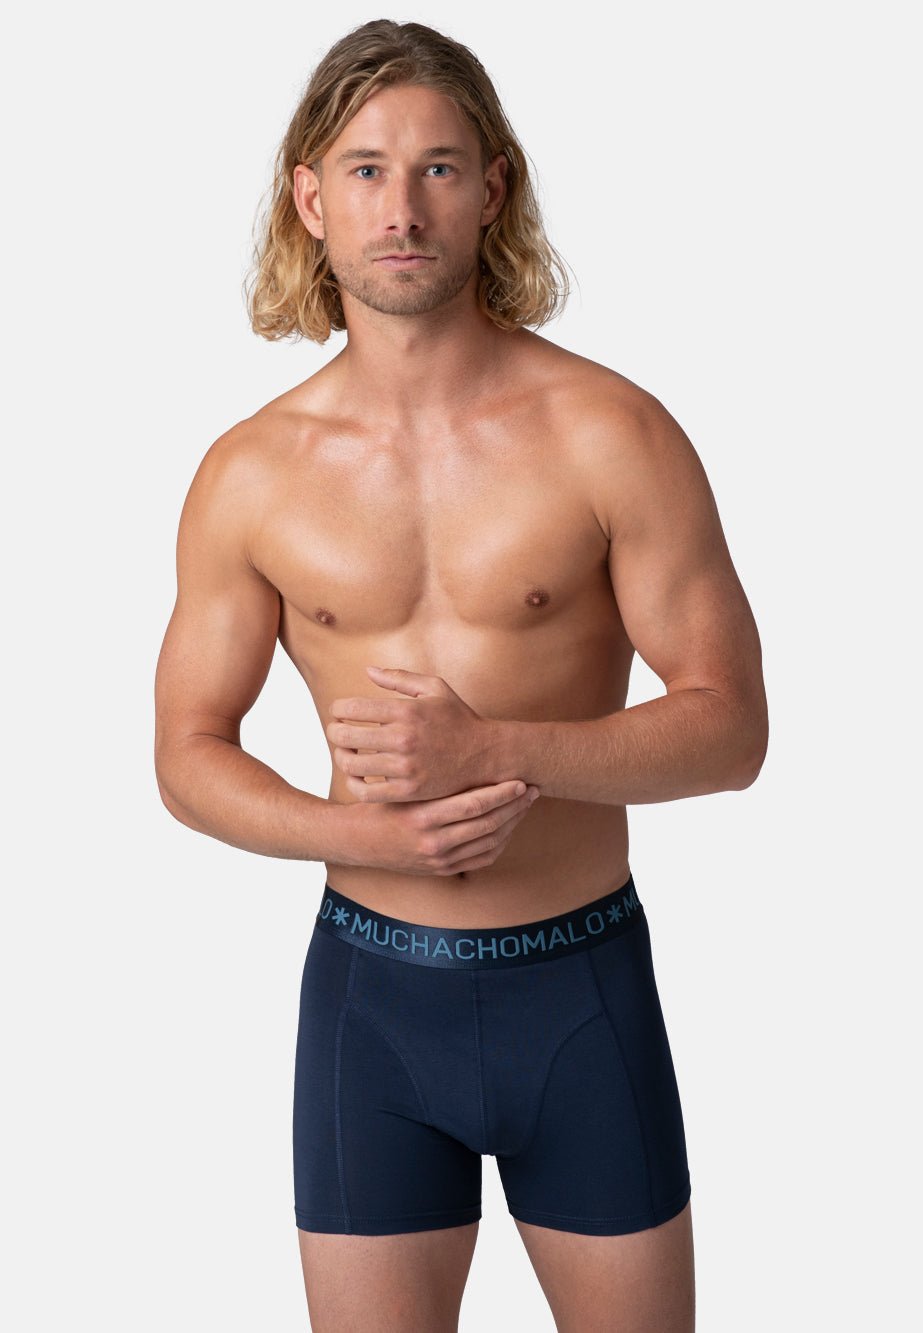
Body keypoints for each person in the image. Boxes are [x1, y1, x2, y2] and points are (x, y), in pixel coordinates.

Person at [154, 18, 768, 1332]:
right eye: (366, 170)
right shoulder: (250, 474)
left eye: (438, 167)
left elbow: (732, 731)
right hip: (369, 1002)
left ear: (494, 189)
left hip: (580, 989)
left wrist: (502, 750)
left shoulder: (612, 433)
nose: (403, 208)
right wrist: (361, 832)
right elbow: (187, 752)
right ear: (309, 199)